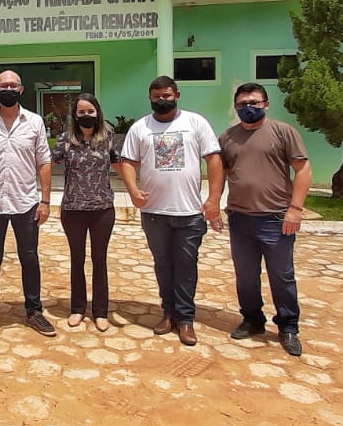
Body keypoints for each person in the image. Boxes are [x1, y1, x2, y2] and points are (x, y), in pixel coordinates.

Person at [120, 75, 224, 346]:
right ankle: (168, 313)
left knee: (186, 265)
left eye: (167, 95)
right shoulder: (140, 127)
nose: (162, 100)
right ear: (150, 97)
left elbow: (214, 159)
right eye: (157, 96)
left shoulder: (195, 123)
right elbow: (128, 162)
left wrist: (214, 199)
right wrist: (132, 190)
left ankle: (186, 319)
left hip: (188, 212)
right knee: (163, 264)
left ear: (176, 95)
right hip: (154, 212)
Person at [218, 82, 312, 357]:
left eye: (254, 103)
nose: (248, 108)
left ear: (265, 104)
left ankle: (288, 326)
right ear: (235, 107)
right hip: (240, 218)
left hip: (276, 218)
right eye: (243, 104)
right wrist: (215, 204)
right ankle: (252, 319)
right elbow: (220, 175)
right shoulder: (227, 138)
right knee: (245, 275)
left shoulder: (283, 132)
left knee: (281, 276)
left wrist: (295, 209)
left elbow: (303, 169)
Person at [0, 69, 56, 338]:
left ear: (21, 90)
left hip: (26, 203)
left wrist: (46, 200)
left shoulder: (35, 122)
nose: (8, 89)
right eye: (3, 85)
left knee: (29, 258)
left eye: (12, 85)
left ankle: (34, 311)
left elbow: (44, 162)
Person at [52, 93, 121, 332]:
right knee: (77, 259)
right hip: (73, 209)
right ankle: (78, 309)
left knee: (99, 260)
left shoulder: (108, 139)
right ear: (75, 115)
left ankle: (101, 312)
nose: (86, 116)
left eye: (90, 111)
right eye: (81, 112)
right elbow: (46, 163)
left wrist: (137, 189)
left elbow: (121, 165)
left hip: (102, 209)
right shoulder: (65, 140)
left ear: (98, 113)